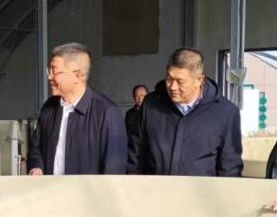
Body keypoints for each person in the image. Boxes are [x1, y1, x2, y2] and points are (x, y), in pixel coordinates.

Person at [127, 47, 243, 176]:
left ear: (199, 80)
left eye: (180, 81)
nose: (173, 87)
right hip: (155, 188)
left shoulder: (225, 113)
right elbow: (135, 154)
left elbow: (230, 168)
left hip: (200, 189)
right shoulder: (151, 105)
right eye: (169, 79)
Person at [27, 43, 127, 175]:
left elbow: (113, 171)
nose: (49, 77)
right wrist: (37, 167)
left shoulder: (107, 113)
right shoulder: (49, 107)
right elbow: (35, 148)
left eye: (55, 71)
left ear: (77, 75)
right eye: (49, 71)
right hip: (50, 188)